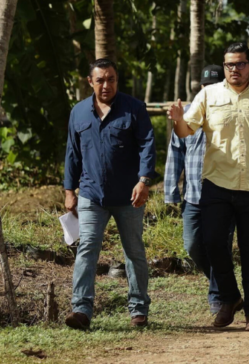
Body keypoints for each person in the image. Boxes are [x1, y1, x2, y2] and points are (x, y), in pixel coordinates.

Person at [167, 42, 249, 332]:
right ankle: (229, 297)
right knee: (212, 243)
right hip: (217, 184)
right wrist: (177, 121)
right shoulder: (208, 95)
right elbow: (186, 131)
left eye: (240, 64)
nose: (234, 69)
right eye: (229, 64)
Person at [63, 59, 156, 330]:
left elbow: (147, 145)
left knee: (134, 251)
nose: (106, 85)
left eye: (111, 79)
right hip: (91, 195)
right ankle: (81, 310)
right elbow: (72, 153)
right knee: (87, 249)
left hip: (129, 196)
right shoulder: (78, 112)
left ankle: (138, 309)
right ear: (90, 82)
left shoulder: (134, 108)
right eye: (101, 80)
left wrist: (144, 181)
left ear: (117, 80)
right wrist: (69, 191)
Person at [164, 65, 235, 311]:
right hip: (193, 195)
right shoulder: (186, 114)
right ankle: (228, 288)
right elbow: (175, 152)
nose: (209, 90)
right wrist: (171, 190)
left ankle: (218, 297)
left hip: (224, 193)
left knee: (219, 245)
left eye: (214, 86)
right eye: (205, 86)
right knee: (193, 245)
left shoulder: (230, 112)